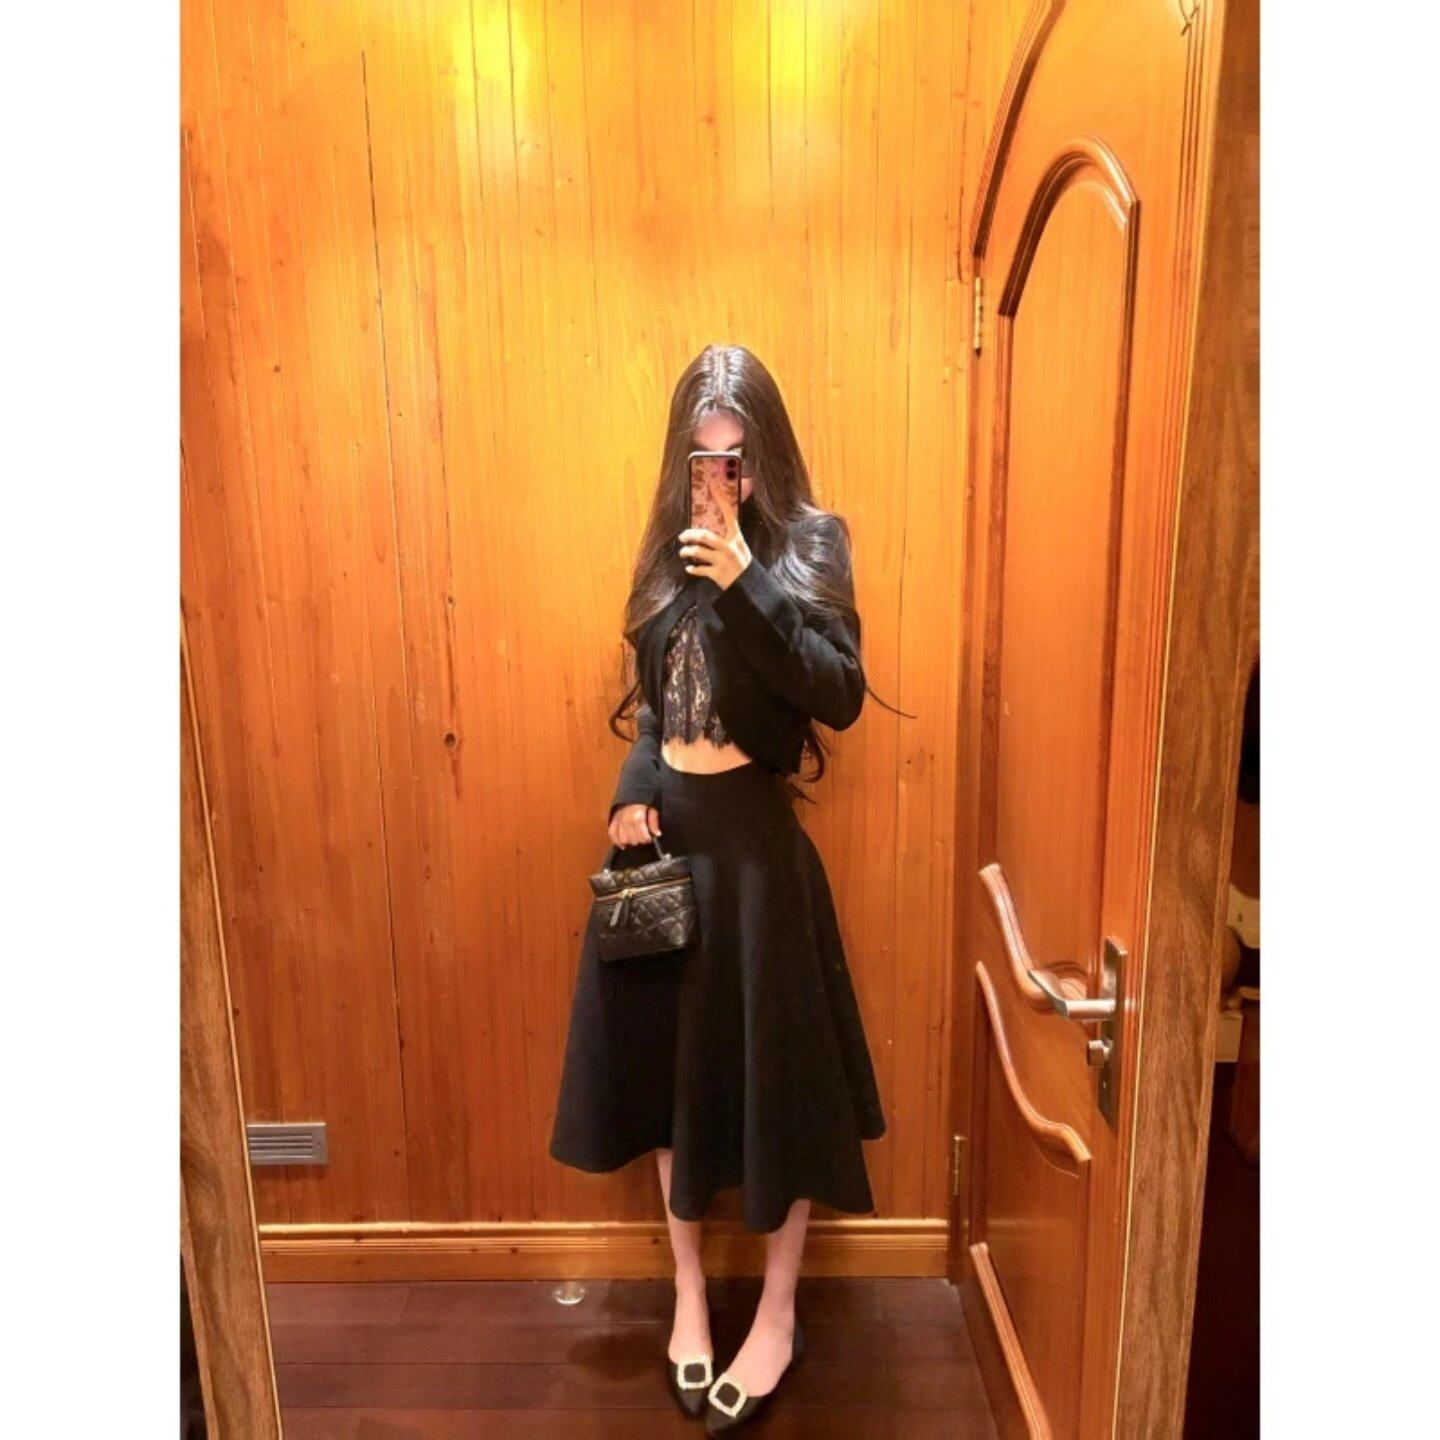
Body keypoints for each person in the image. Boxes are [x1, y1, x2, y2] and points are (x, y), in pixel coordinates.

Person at [549, 343, 889, 1433]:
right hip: (668, 846)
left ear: (765, 452)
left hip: (757, 857)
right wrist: (630, 789)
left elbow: (837, 694)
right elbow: (658, 701)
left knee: (778, 1084)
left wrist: (747, 579)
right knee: (669, 1083)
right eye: (703, 458)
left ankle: (778, 1314)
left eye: (736, 457)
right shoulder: (666, 551)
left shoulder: (810, 544)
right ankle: (689, 1297)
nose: (719, 478)